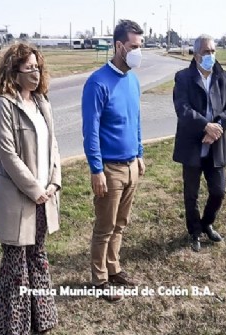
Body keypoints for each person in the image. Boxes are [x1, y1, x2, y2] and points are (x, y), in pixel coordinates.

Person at [0, 42, 61, 334]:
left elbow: (52, 145)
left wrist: (55, 180)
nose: (35, 73)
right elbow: (7, 155)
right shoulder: (4, 105)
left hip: (45, 195)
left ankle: (40, 319)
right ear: (13, 71)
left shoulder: (43, 103)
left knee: (38, 256)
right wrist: (34, 189)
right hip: (19, 199)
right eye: (28, 68)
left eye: (37, 67)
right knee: (16, 263)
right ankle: (10, 325)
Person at [81, 19, 145, 303]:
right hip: (109, 168)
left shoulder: (132, 80)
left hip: (131, 165)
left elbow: (136, 120)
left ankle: (114, 268)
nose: (137, 52)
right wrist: (97, 170)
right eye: (133, 47)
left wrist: (140, 154)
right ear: (119, 46)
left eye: (140, 46)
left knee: (120, 224)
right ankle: (99, 279)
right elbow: (90, 131)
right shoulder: (97, 83)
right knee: (105, 227)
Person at [172, 34, 226, 253]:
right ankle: (194, 231)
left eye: (212, 51)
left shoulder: (223, 76)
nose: (210, 55)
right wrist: (204, 126)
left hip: (215, 145)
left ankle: (207, 222)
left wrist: (216, 128)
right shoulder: (183, 77)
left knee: (218, 191)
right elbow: (182, 108)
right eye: (206, 52)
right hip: (192, 144)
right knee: (191, 194)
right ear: (196, 54)